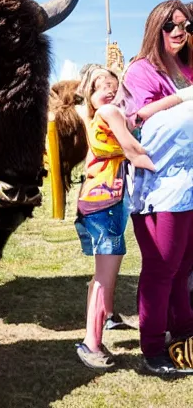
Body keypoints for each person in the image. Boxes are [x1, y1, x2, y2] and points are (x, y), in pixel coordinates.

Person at [120, 0, 193, 375]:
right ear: (156, 29)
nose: (180, 32)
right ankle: (152, 349)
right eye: (171, 25)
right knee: (161, 267)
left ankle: (183, 338)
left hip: (190, 185)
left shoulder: (190, 67)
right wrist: (181, 100)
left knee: (184, 269)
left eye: (185, 25)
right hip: (159, 188)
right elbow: (136, 124)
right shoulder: (140, 71)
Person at [72, 67, 150, 369]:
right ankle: (91, 343)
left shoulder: (96, 116)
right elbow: (133, 150)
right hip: (106, 201)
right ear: (89, 95)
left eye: (113, 84)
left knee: (101, 276)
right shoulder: (107, 112)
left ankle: (100, 326)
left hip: (97, 200)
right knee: (106, 277)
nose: (107, 89)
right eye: (99, 85)